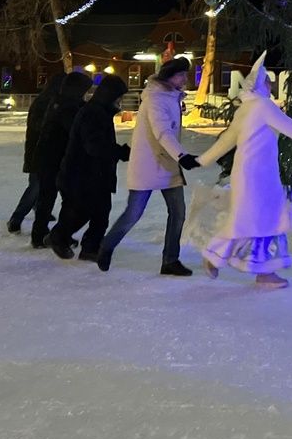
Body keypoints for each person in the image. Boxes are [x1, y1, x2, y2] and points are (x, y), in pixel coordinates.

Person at [189, 53, 292, 289]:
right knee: (266, 221)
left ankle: (230, 260)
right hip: (260, 177)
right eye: (267, 80)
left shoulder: (245, 109)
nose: (270, 83)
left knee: (250, 221)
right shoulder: (263, 106)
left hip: (247, 174)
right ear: (259, 84)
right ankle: (262, 272)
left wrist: (202, 159)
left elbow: (227, 140)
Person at [97, 57, 198, 275]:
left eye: (185, 74)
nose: (185, 78)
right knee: (134, 213)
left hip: (167, 164)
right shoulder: (155, 98)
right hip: (148, 163)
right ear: (169, 77)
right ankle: (105, 246)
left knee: (178, 213)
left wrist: (179, 157)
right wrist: (182, 156)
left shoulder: (171, 96)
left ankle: (170, 261)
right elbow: (163, 132)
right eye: (181, 75)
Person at [49, 74, 130, 261]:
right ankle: (59, 236)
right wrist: (121, 153)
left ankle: (90, 247)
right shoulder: (93, 113)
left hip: (94, 175)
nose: (120, 101)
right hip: (82, 175)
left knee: (100, 212)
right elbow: (94, 146)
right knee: (81, 212)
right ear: (109, 95)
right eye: (118, 97)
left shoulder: (100, 111)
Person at [29, 71, 94, 249]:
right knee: (53, 197)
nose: (86, 94)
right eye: (84, 90)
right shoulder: (65, 106)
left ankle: (55, 233)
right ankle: (44, 234)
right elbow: (74, 130)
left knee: (58, 198)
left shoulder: (63, 102)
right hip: (53, 158)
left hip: (54, 158)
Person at [7, 72, 66, 234]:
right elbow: (37, 125)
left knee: (42, 186)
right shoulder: (46, 102)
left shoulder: (52, 100)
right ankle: (16, 218)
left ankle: (40, 210)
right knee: (36, 186)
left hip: (43, 151)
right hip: (38, 152)